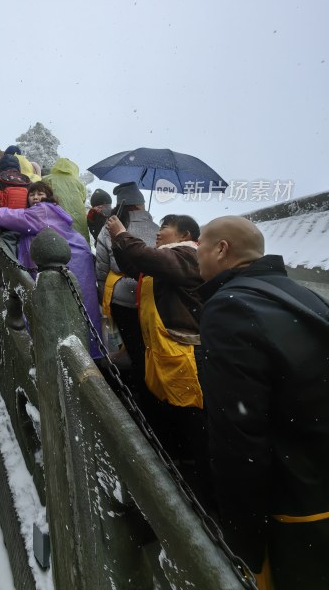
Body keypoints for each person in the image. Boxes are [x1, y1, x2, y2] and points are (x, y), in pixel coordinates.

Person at [196, 215, 329, 590]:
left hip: (289, 505)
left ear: (222, 250)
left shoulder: (229, 307)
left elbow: (237, 433)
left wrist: (244, 538)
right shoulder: (301, 294)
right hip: (318, 476)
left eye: (200, 247)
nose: (196, 258)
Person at [107, 212, 212, 509]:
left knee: (194, 420)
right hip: (163, 351)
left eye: (165, 227)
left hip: (183, 354)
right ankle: (178, 464)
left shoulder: (189, 256)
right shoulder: (166, 258)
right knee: (170, 410)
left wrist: (121, 233)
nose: (159, 231)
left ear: (184, 235)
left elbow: (150, 259)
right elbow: (134, 265)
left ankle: (204, 491)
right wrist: (119, 242)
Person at [0, 182, 103, 359]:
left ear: (49, 196)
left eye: (40, 193)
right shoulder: (52, 211)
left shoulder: (43, 210)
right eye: (32, 195)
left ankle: (60, 355)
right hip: (75, 258)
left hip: (65, 260)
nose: (36, 198)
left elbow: (14, 217)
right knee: (77, 307)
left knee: (58, 305)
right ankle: (86, 352)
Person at [95, 182, 158, 396]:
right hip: (152, 297)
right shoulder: (158, 229)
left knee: (130, 345)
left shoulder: (109, 228)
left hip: (121, 297)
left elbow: (102, 268)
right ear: (141, 205)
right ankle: (152, 387)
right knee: (150, 345)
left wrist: (104, 295)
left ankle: (133, 388)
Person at [42, 157, 90, 242]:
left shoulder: (47, 179)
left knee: (58, 245)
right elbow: (83, 200)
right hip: (78, 220)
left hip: (56, 219)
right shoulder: (79, 183)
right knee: (80, 245)